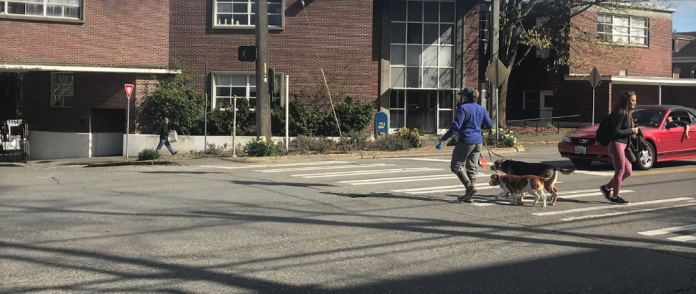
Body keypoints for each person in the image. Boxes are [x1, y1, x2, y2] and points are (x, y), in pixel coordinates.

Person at [439, 87, 493, 203]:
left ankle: (469, 186)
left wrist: (443, 138)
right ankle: (469, 196)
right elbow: (489, 124)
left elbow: (456, 126)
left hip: (466, 140)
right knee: (472, 166)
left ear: (465, 96)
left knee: (456, 165)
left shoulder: (463, 108)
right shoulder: (481, 108)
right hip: (478, 141)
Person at [599, 90, 638, 204]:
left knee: (628, 171)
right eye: (632, 100)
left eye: (635, 100)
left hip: (623, 145)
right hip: (617, 144)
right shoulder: (621, 113)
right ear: (626, 101)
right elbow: (616, 131)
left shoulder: (627, 113)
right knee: (620, 171)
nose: (634, 103)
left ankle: (606, 188)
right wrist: (632, 130)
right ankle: (616, 196)